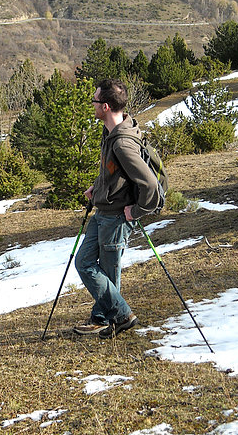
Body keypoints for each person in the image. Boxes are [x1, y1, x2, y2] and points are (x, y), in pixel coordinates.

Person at [73, 79, 161, 339]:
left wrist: (136, 212)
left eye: (95, 101)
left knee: (99, 269)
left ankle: (121, 316)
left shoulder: (123, 143)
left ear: (107, 106)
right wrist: (96, 188)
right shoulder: (111, 133)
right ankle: (102, 317)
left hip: (116, 217)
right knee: (87, 262)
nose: (93, 105)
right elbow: (112, 173)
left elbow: (150, 186)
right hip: (103, 210)